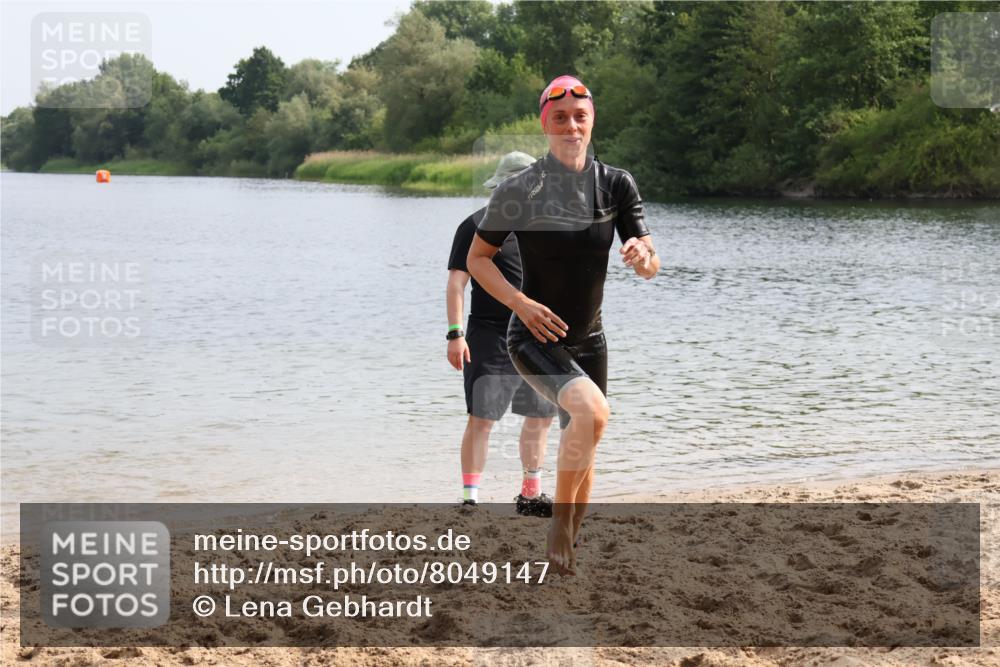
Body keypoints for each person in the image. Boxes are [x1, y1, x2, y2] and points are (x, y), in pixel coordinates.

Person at [467, 76, 660, 574]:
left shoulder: (617, 184)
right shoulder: (521, 188)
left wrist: (642, 257)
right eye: (560, 118)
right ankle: (556, 525)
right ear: (545, 125)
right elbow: (478, 259)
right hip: (533, 335)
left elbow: (650, 260)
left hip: (590, 339)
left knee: (588, 436)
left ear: (592, 120)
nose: (571, 126)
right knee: (594, 411)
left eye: (580, 116)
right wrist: (520, 303)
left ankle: (567, 542)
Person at [447, 152, 558, 516]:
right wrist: (454, 334)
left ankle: (530, 493)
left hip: (536, 336)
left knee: (541, 415)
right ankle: (471, 499)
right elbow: (457, 283)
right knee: (482, 417)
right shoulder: (475, 225)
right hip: (489, 335)